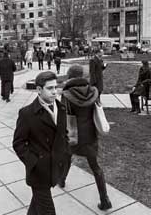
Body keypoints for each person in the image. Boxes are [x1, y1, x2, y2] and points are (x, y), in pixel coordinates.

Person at [13, 71, 70, 215]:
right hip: (38, 173)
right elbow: (18, 143)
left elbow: (64, 134)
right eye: (49, 88)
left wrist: (65, 152)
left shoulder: (61, 108)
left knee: (36, 206)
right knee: (48, 211)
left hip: (54, 168)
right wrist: (33, 162)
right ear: (39, 90)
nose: (54, 92)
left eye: (55, 87)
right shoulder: (27, 113)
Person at [60, 65, 112, 211]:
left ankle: (62, 180)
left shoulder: (66, 94)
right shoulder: (93, 91)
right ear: (82, 75)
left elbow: (63, 117)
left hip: (73, 135)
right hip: (90, 136)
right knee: (95, 167)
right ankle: (105, 199)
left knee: (67, 157)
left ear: (70, 76)